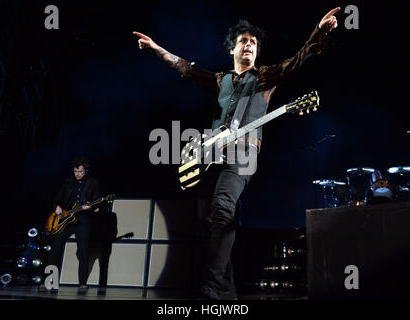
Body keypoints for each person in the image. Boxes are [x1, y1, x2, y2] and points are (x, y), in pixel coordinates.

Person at [134, 7, 339, 300]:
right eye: (244, 41)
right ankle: (227, 294)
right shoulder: (221, 80)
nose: (250, 45)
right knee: (214, 220)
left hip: (244, 154)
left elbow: (298, 60)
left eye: (254, 42)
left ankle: (212, 287)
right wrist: (155, 48)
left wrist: (319, 32)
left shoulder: (265, 77)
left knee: (222, 208)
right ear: (232, 47)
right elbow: (186, 69)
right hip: (211, 156)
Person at [42, 156, 100, 292]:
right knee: (55, 249)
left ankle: (83, 283)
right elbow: (57, 198)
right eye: (75, 172)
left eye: (80, 171)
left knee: (82, 251)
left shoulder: (93, 182)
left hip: (83, 220)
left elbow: (97, 200)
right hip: (65, 220)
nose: (77, 174)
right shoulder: (68, 182)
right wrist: (57, 206)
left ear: (86, 170)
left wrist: (90, 207)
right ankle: (47, 281)